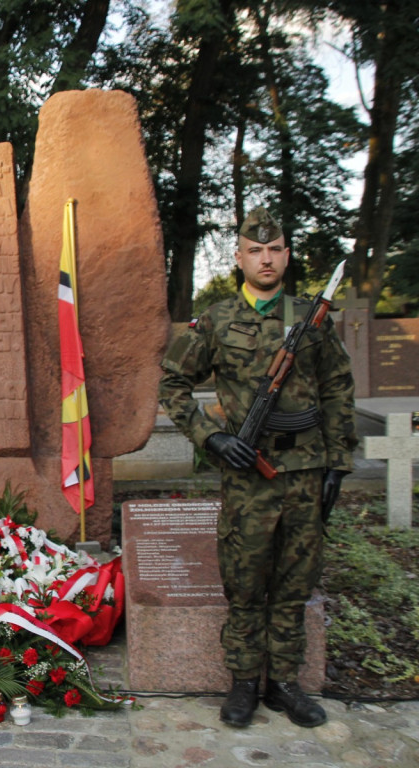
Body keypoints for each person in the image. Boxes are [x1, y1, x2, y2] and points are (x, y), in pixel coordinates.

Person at [158, 207, 357, 730]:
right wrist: (212, 436)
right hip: (249, 476)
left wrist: (338, 460)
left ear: (287, 255)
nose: (266, 259)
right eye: (255, 251)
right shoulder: (217, 319)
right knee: (245, 583)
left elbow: (337, 387)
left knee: (295, 583)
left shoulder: (311, 316)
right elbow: (173, 384)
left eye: (275, 250)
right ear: (239, 258)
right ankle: (244, 683)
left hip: (307, 471)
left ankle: (285, 684)